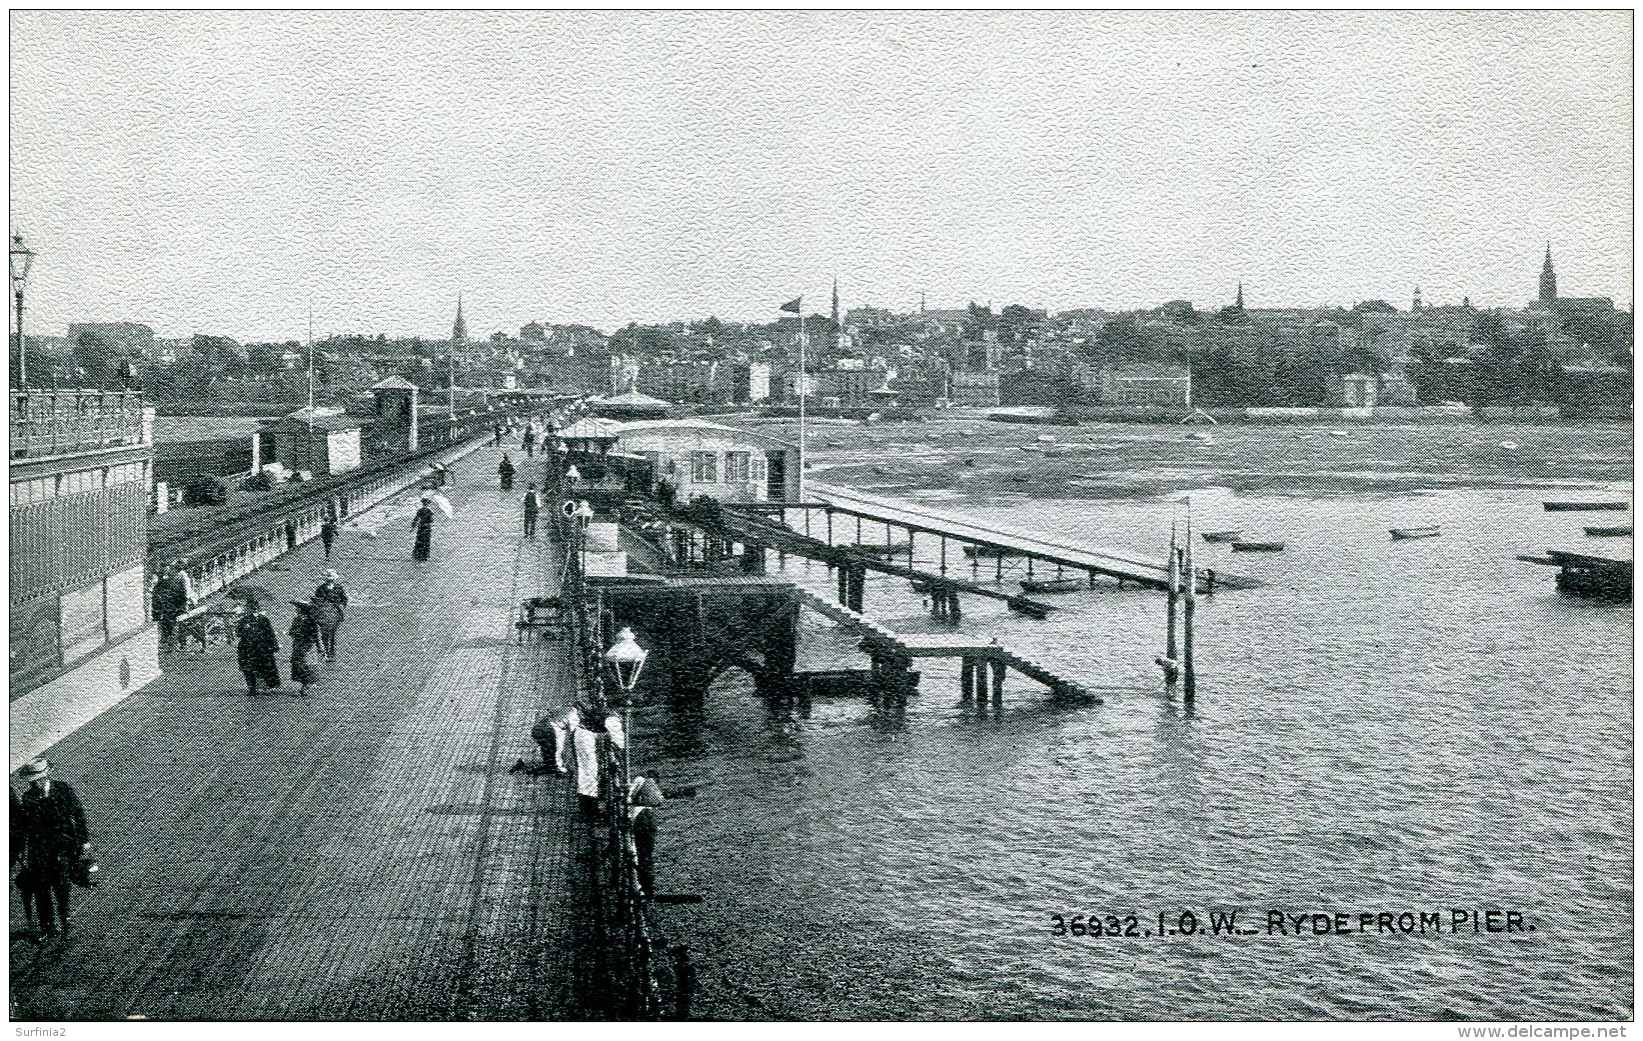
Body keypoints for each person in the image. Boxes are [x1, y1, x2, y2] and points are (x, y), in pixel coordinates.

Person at [15, 758, 90, 939]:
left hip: (62, 848)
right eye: (32, 782)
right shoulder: (28, 797)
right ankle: (47, 927)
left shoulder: (62, 790)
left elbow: (78, 815)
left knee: (61, 887)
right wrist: (25, 852)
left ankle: (65, 921)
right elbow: (27, 827)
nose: (34, 785)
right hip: (39, 852)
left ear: (45, 776)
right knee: (42, 890)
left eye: (37, 781)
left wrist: (84, 840)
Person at [235, 598, 282, 694]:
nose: (253, 610)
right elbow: (238, 633)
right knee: (248, 668)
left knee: (263, 667)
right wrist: (245, 629)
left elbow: (270, 633)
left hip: (261, 647)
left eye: (254, 608)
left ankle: (266, 686)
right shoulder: (243, 620)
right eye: (250, 608)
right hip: (247, 648)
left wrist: (273, 645)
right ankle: (252, 688)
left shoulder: (264, 620)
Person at [627, 776, 664, 899]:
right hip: (647, 817)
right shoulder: (647, 784)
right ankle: (646, 886)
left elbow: (630, 798)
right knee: (645, 854)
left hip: (642, 818)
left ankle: (643, 887)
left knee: (642, 854)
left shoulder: (640, 782)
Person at [151, 564, 191, 652]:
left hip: (179, 606)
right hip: (172, 607)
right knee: (165, 619)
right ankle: (170, 641)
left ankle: (174, 642)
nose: (168, 572)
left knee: (171, 621)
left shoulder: (180, 577)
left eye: (169, 570)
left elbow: (184, 594)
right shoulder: (170, 579)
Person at [530, 705, 579, 776]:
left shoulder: (565, 707)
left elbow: (550, 711)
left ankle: (548, 764)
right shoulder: (574, 716)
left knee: (546, 748)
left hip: (539, 727)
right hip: (553, 729)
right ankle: (557, 768)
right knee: (558, 749)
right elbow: (573, 731)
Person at [311, 570, 348, 661]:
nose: (329, 580)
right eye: (328, 579)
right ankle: (326, 652)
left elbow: (344, 599)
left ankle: (331, 652)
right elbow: (316, 599)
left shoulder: (339, 588)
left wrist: (341, 605)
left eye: (331, 579)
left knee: (333, 635)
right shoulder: (320, 588)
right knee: (324, 634)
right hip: (323, 612)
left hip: (335, 611)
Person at [287, 601, 323, 695]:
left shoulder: (311, 621)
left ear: (301, 610)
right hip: (297, 644)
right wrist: (295, 632)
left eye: (297, 608)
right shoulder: (296, 619)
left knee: (303, 663)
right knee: (297, 663)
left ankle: (306, 686)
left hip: (307, 645)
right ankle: (304, 685)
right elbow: (291, 632)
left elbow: (315, 635)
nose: (296, 609)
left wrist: (319, 647)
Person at [572, 714, 603, 820]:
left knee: (586, 785)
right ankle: (590, 812)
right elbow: (590, 755)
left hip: (584, 764)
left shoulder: (580, 732)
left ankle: (588, 810)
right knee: (589, 786)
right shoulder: (585, 736)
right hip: (588, 765)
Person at [411, 496, 435, 561]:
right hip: (426, 527)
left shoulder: (421, 510)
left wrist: (413, 526)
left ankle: (418, 555)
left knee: (420, 539)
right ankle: (424, 555)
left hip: (421, 527)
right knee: (425, 540)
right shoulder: (429, 511)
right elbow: (431, 520)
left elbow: (416, 519)